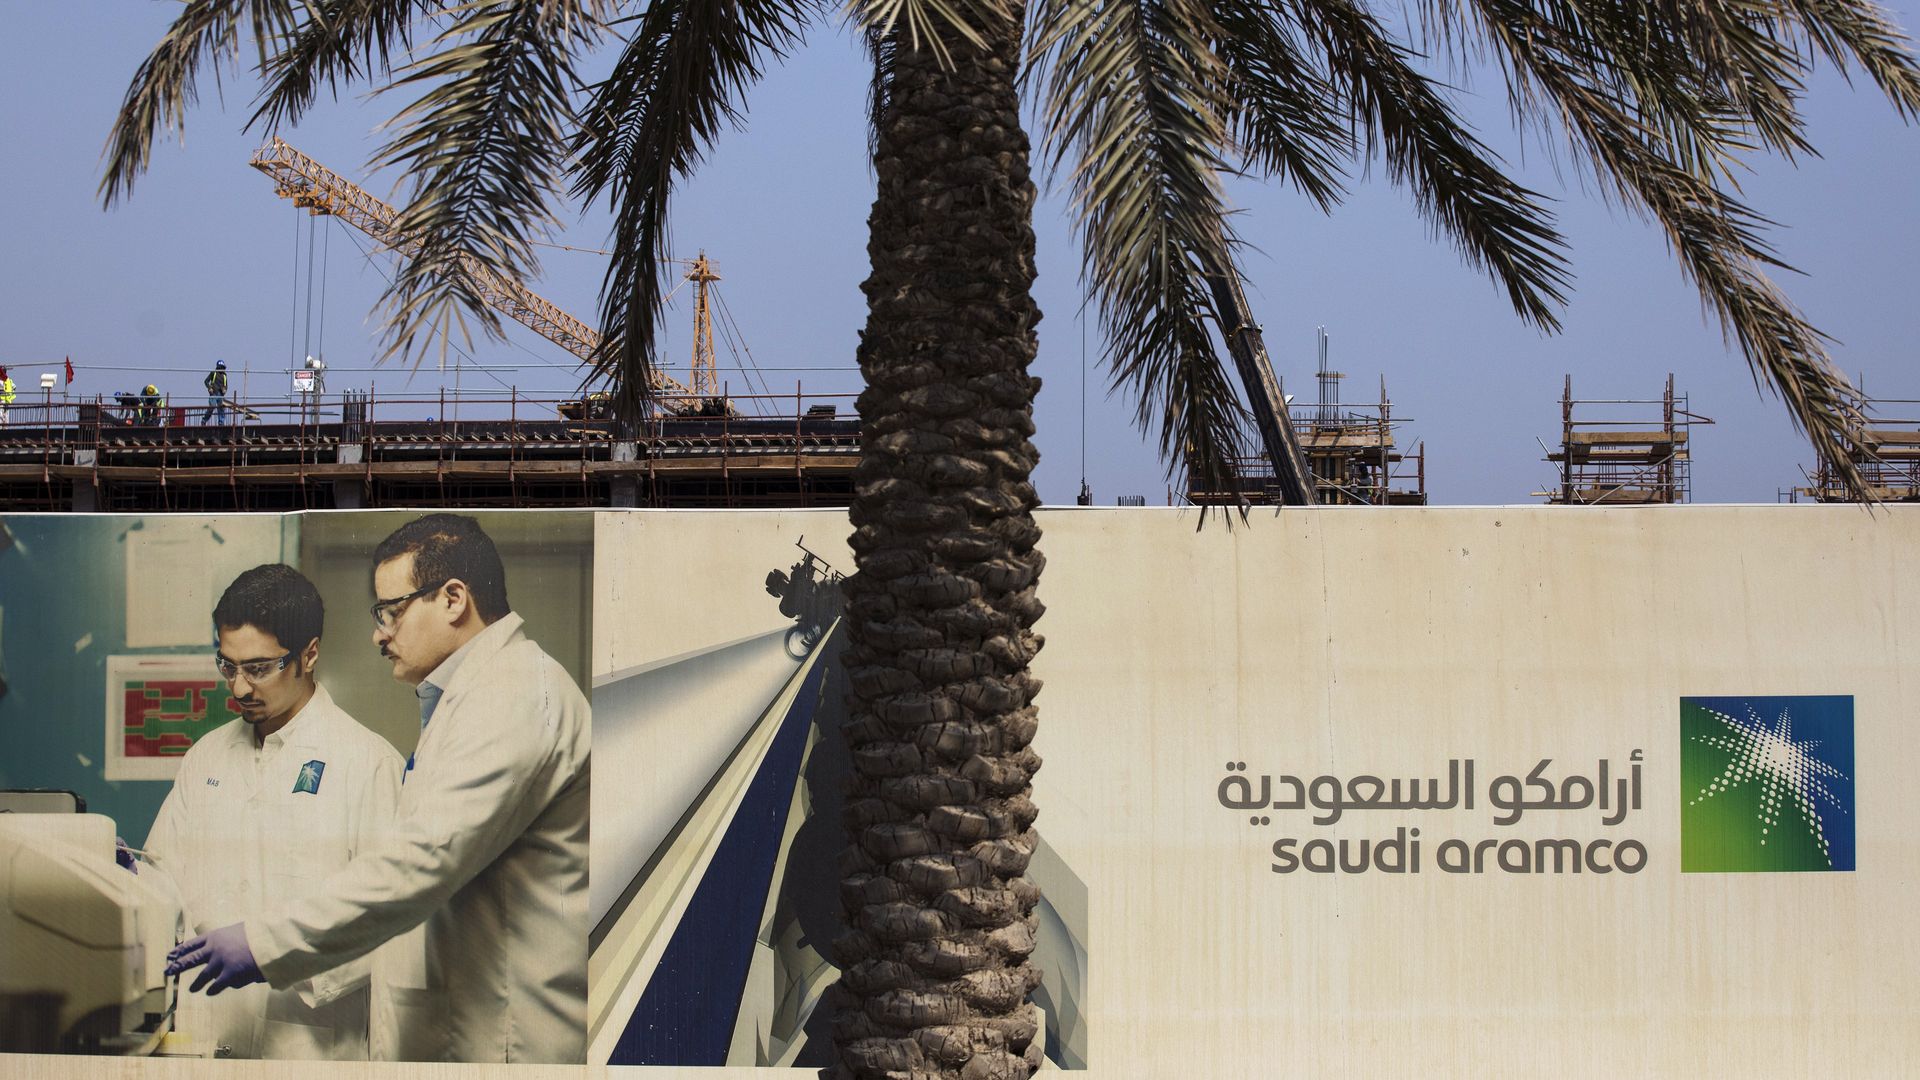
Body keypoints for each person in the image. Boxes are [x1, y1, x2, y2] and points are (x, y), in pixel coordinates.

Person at [167, 513, 591, 1064]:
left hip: (506, 1040)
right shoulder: (472, 700)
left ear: (453, 598)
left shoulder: (516, 697)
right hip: (463, 1031)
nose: (378, 633)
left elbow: (419, 862)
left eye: (390, 611)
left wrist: (262, 943)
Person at [136, 564, 404, 1059]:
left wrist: (269, 951)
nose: (238, 689)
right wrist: (126, 874)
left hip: (309, 1043)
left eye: (258, 668)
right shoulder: (207, 758)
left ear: (310, 654)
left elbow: (389, 922)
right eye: (227, 665)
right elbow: (164, 878)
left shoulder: (368, 765)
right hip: (203, 1033)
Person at [203, 361, 230, 425]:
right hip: (214, 393)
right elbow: (206, 381)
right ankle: (204, 420)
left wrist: (224, 389)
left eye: (223, 368)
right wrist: (209, 388)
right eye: (221, 367)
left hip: (220, 394)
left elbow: (226, 385)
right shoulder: (213, 373)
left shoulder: (224, 375)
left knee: (221, 409)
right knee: (212, 407)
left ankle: (221, 423)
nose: (222, 369)